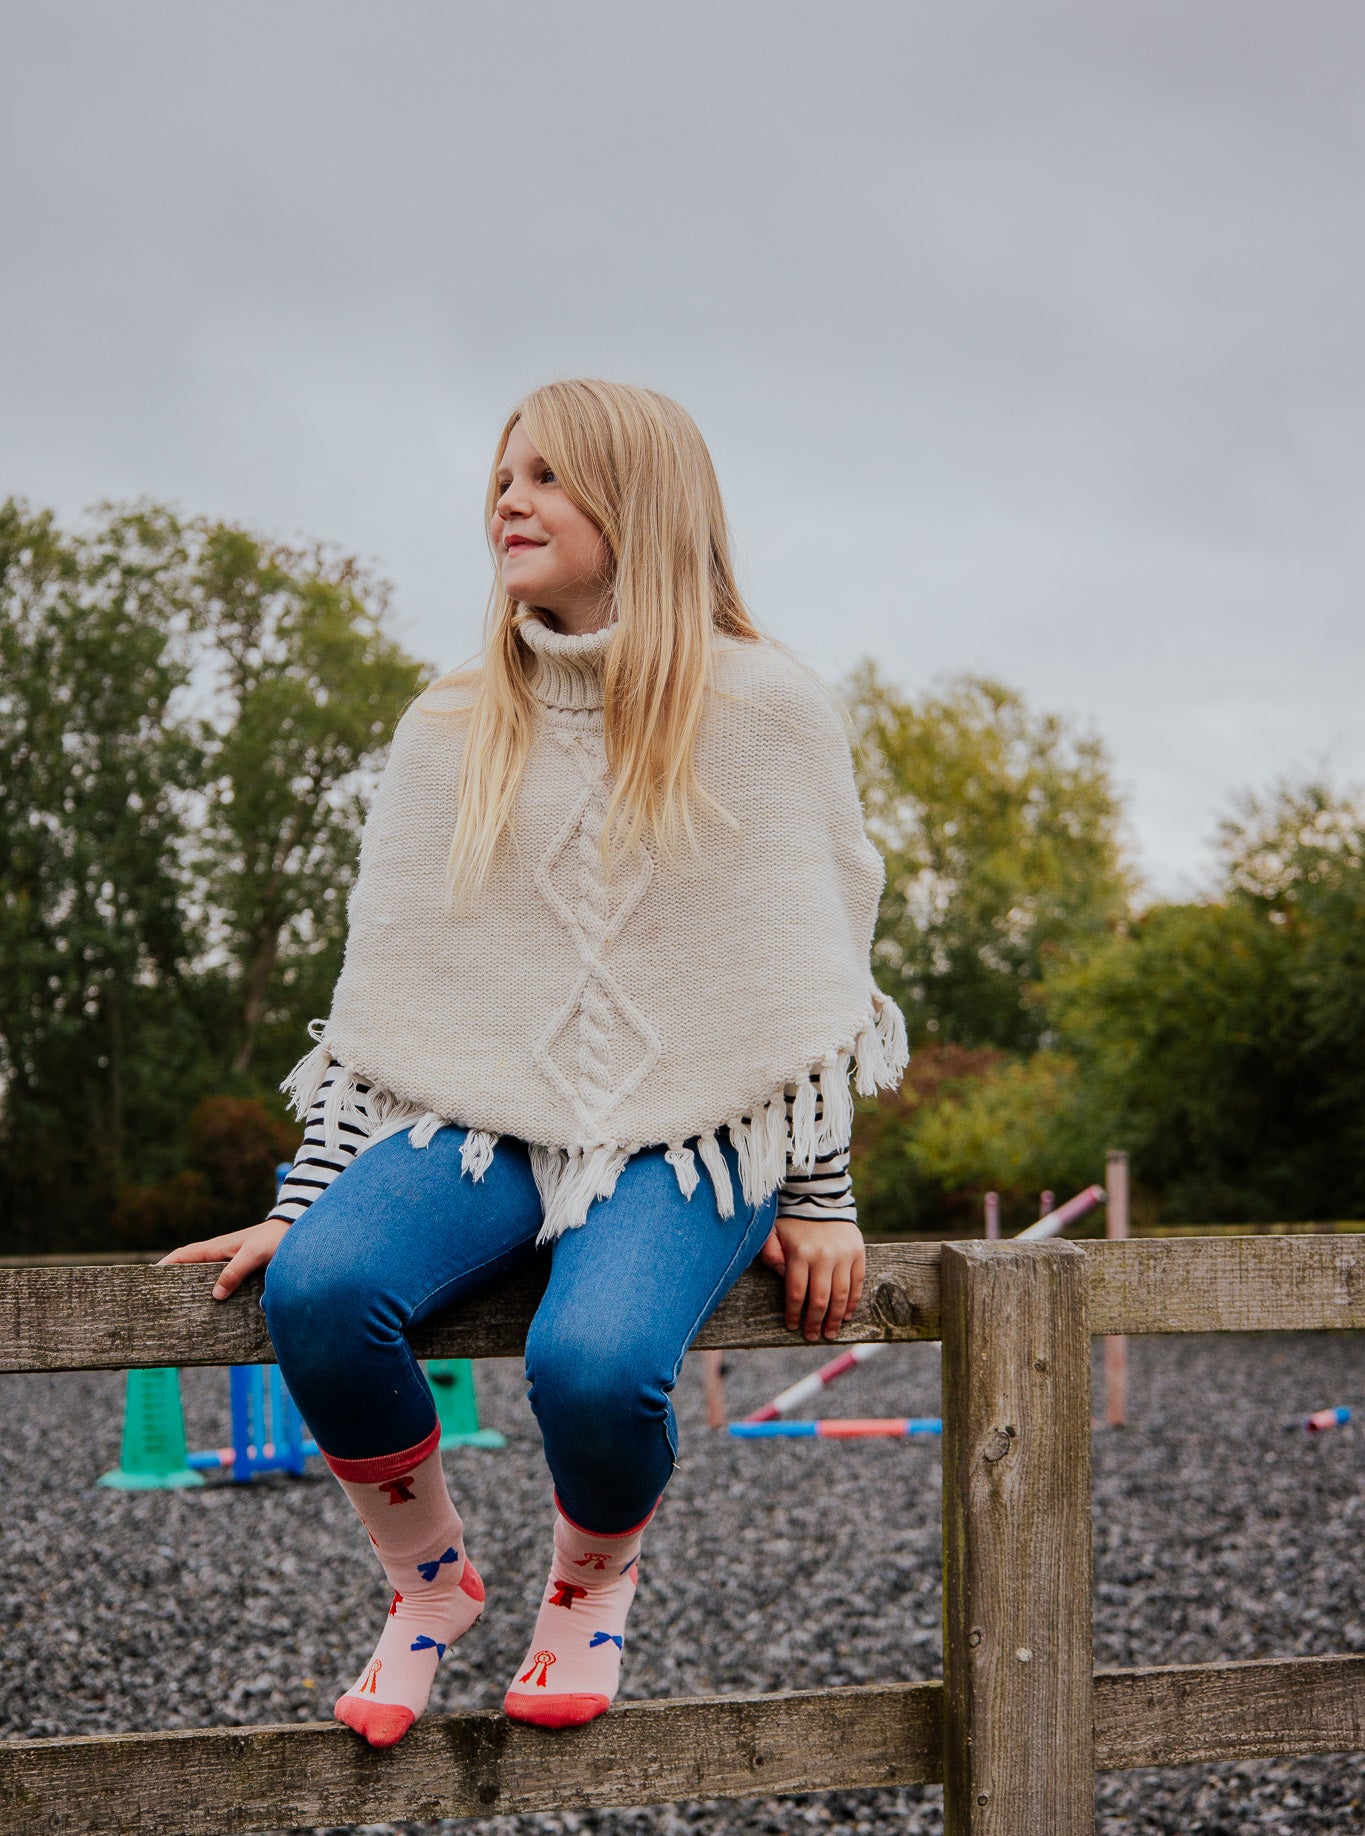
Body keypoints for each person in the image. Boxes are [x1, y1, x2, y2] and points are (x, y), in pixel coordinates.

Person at [160, 379, 907, 1749]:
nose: (509, 501)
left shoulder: (767, 707)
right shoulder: (453, 723)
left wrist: (818, 1194)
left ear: (641, 504)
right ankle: (427, 1586)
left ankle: (589, 1582)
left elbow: (804, 975)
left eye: (549, 478)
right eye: (504, 478)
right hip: (484, 1117)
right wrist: (306, 1195)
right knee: (320, 1289)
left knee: (596, 1360)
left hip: (696, 1130)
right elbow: (392, 990)